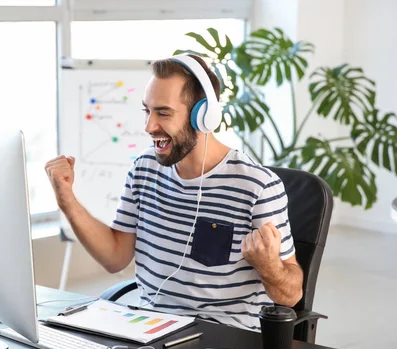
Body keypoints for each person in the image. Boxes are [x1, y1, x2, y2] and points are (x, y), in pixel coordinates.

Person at [45, 54, 302, 331]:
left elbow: (290, 296)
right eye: (147, 111)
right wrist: (67, 200)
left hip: (223, 342)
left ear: (203, 116)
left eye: (163, 113)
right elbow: (114, 258)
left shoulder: (258, 186)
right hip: (147, 332)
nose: (149, 126)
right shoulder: (145, 168)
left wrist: (269, 266)